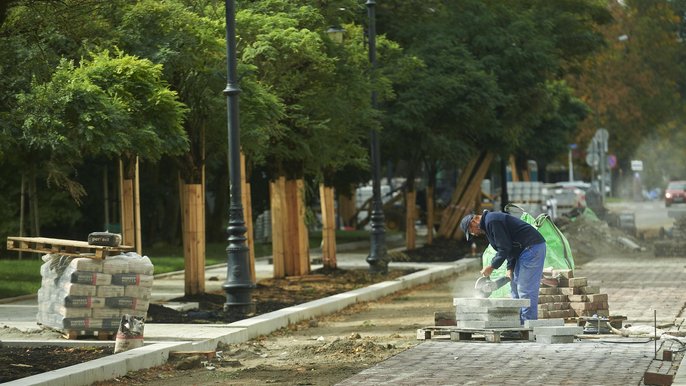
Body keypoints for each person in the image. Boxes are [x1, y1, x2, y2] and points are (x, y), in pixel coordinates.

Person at [460, 210, 546, 323]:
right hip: (522, 250)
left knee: (525, 289)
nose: (474, 234)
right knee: (514, 287)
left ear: (474, 220)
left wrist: (491, 266)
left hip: (532, 248)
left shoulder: (492, 221)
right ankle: (517, 324)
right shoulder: (489, 226)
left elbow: (504, 248)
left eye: (471, 230)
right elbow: (508, 246)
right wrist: (510, 268)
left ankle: (529, 326)